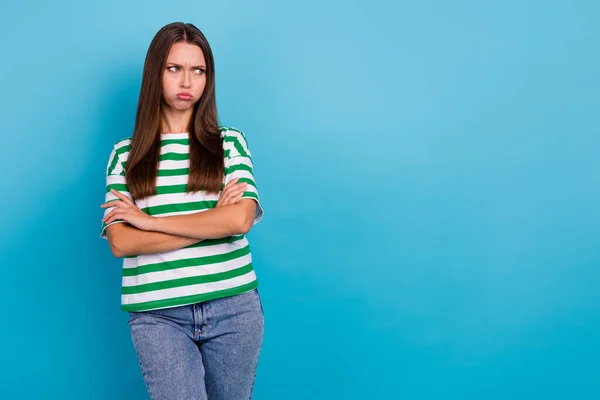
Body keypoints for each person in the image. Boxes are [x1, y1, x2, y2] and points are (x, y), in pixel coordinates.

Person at [99, 21, 265, 400]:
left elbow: (240, 219)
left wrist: (149, 223)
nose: (186, 81)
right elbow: (122, 242)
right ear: (155, 73)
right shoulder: (125, 156)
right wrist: (213, 223)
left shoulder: (229, 144)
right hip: (158, 315)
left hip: (233, 307)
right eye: (174, 68)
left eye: (198, 70)